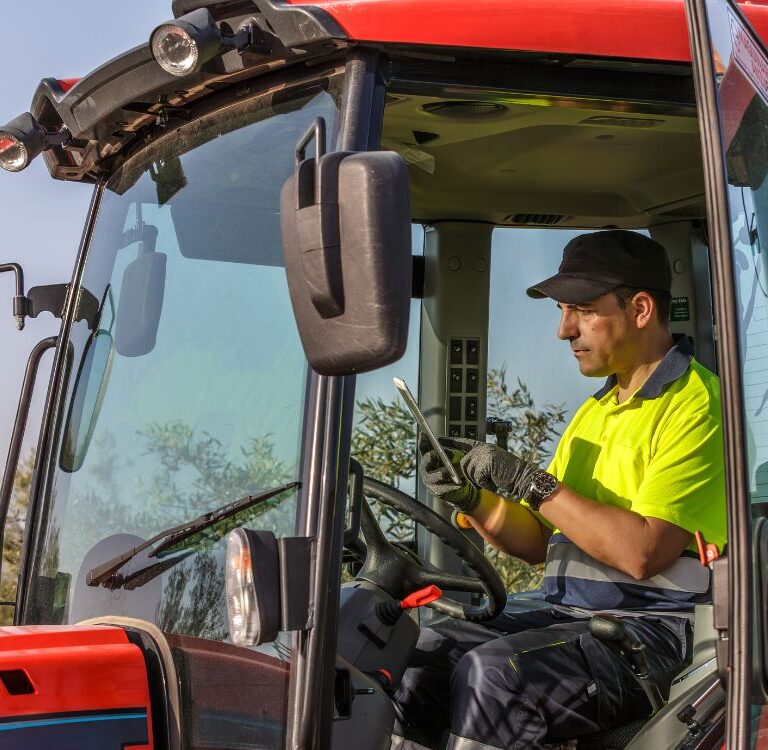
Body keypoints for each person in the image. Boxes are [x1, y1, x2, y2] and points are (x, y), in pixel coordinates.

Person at [390, 230, 726, 750]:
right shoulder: (595, 412)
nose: (564, 330)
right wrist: (472, 499)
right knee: (424, 651)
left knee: (498, 678)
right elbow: (538, 541)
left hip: (658, 634)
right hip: (575, 617)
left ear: (640, 308)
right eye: (563, 310)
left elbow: (642, 553)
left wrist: (531, 482)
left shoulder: (698, 406)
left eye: (583, 310)